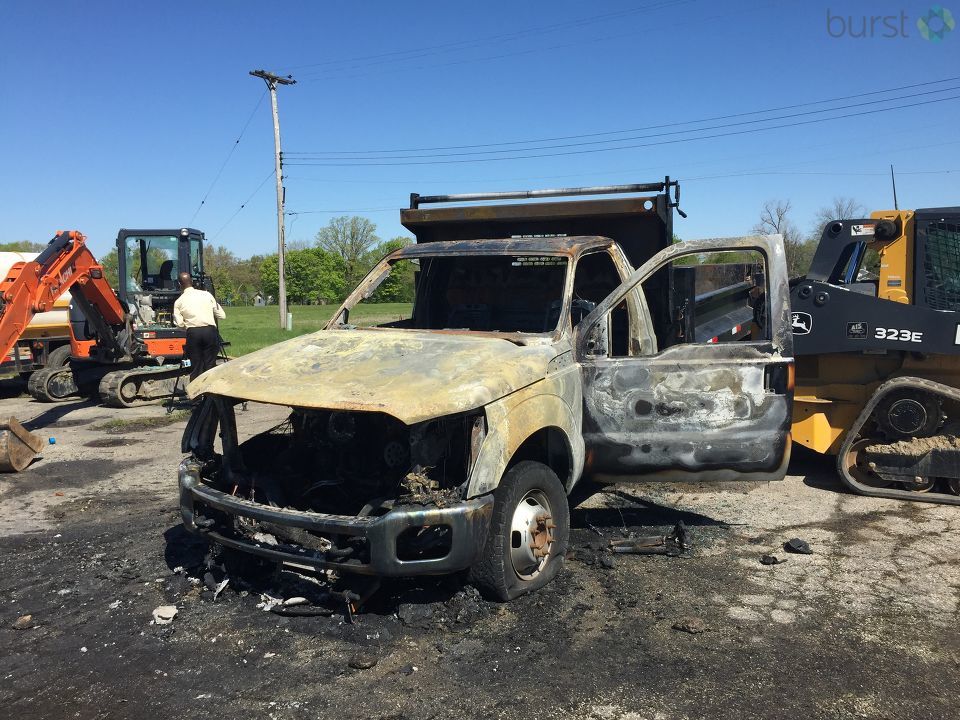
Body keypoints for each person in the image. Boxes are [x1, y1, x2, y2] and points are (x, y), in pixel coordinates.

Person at [173, 272, 225, 381]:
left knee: (196, 367)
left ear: (179, 284)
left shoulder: (178, 302)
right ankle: (210, 390)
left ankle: (196, 390)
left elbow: (180, 324)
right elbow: (222, 315)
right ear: (192, 281)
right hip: (210, 332)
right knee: (210, 366)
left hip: (193, 334)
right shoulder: (207, 295)